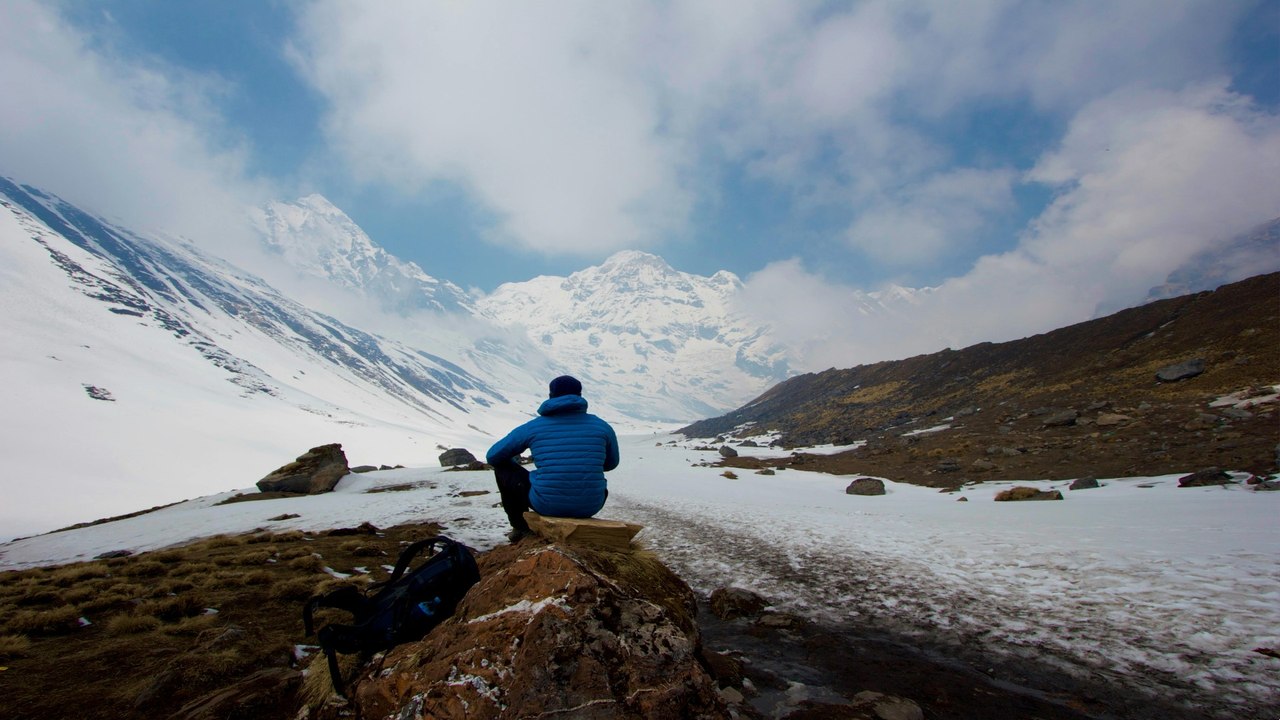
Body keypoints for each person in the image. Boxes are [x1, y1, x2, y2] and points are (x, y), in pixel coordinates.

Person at [486, 375, 620, 542]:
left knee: (502, 467)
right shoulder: (602, 426)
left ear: (550, 396)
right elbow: (611, 464)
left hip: (546, 504)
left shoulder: (534, 426)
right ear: (579, 395)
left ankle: (520, 528)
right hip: (591, 505)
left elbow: (493, 456)